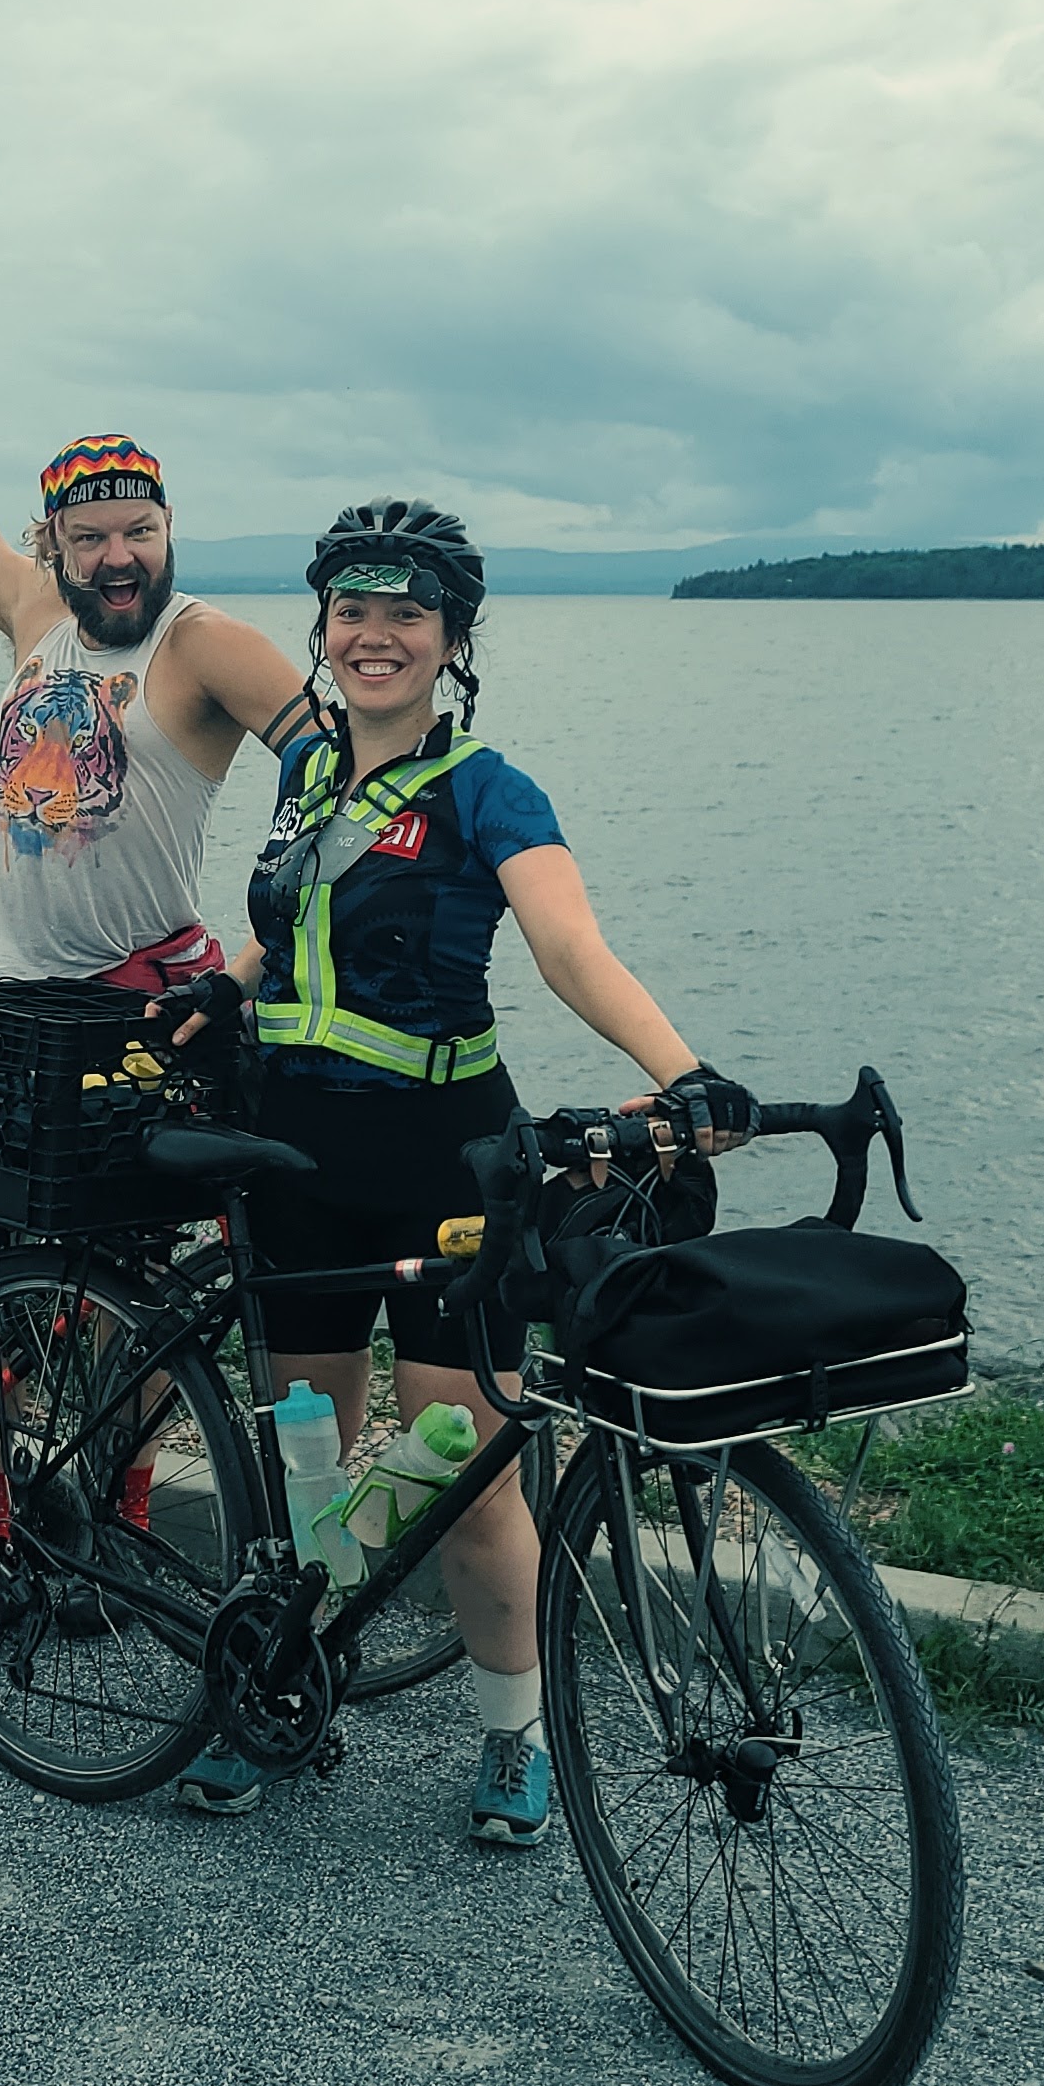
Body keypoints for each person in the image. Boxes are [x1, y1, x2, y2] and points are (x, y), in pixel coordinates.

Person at [151, 498, 757, 1843]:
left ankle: (512, 1734)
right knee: (306, 1467)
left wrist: (683, 1073)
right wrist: (223, 989)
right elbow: (291, 922)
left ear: (452, 638)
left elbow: (569, 948)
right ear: (323, 629)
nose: (374, 637)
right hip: (290, 1161)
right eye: (351, 613)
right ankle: (281, 1681)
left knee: (467, 1480)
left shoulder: (491, 791)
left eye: (406, 615)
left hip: (444, 1166)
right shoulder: (307, 775)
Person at [0, 279, 319, 1605]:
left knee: (133, 1298)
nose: (119, 556)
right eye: (91, 537)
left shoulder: (208, 647)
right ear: (58, 546)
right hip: (3, 1006)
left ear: (170, 530)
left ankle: (120, 1527)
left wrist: (260, 947)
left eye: (140, 530)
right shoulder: (34, 617)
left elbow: (339, 777)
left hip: (138, 1010)